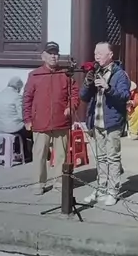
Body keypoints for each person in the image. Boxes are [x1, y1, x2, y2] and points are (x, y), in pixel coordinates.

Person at [23, 42, 80, 195]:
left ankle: (59, 182)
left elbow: (74, 94)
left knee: (61, 155)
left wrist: (71, 107)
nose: (53, 56)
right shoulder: (35, 75)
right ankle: (38, 183)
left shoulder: (65, 74)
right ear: (43, 56)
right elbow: (27, 98)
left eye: (56, 53)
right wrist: (27, 119)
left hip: (61, 122)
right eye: (50, 53)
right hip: (40, 122)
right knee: (39, 154)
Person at [80, 42, 130, 206]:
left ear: (110, 55)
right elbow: (83, 96)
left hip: (112, 122)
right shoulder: (95, 72)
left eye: (100, 53)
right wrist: (87, 83)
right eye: (95, 53)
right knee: (100, 158)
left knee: (113, 158)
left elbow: (124, 96)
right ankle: (101, 188)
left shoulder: (119, 74)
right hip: (97, 121)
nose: (97, 56)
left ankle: (113, 191)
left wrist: (108, 88)